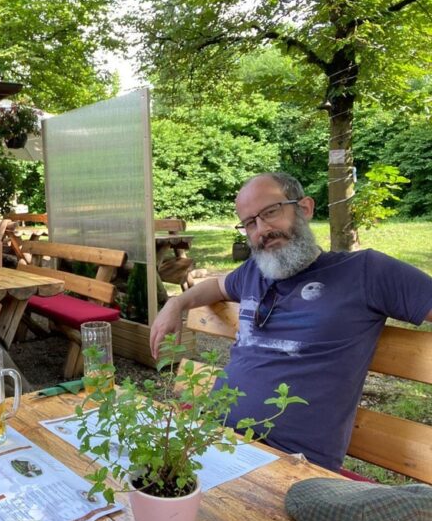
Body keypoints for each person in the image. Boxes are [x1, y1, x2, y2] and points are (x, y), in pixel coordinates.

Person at [150, 172, 432, 471]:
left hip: (290, 464)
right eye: (249, 223)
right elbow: (218, 286)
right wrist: (176, 302)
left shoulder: (364, 272)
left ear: (305, 208)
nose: (262, 230)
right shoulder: (254, 271)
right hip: (214, 438)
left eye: (270, 212)